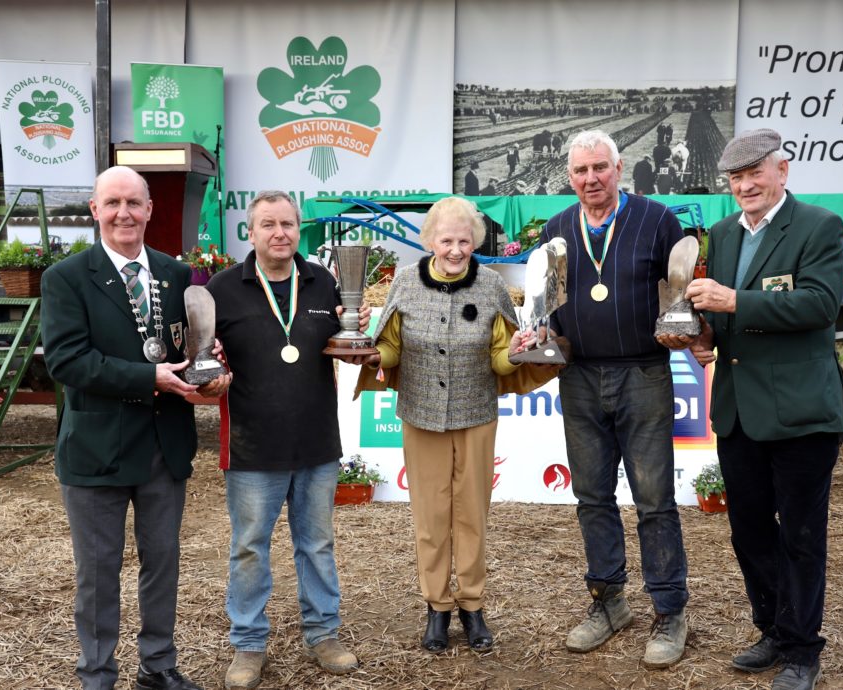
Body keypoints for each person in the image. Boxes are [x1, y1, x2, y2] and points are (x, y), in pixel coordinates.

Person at [658, 128, 843, 690]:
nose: (745, 185)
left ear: (782, 172)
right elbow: (725, 322)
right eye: (736, 178)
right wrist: (703, 334)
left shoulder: (819, 226)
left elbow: (819, 304)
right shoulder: (720, 234)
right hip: (739, 411)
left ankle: (802, 651)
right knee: (749, 532)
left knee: (802, 536)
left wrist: (734, 301)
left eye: (755, 173)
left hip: (801, 413)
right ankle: (772, 627)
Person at [41, 166, 231, 690]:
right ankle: (98, 675)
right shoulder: (65, 278)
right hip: (96, 448)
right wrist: (151, 377)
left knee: (162, 563)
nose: (123, 213)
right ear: (94, 211)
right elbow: (66, 361)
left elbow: (188, 347)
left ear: (150, 210)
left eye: (134, 203)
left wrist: (208, 368)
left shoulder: (175, 274)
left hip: (162, 446)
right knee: (98, 574)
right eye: (112, 203)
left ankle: (158, 666)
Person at [355, 196, 552, 655]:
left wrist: (520, 349)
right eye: (447, 240)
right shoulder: (404, 283)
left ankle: (472, 605)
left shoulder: (491, 286)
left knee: (472, 515)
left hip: (476, 415)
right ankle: (437, 608)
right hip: (421, 414)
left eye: (465, 240)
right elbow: (391, 352)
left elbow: (501, 362)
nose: (456, 249)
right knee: (430, 517)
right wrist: (370, 354)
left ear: (476, 242)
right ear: (430, 241)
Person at [204, 191, 373, 688]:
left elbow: (344, 351)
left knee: (317, 544)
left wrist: (356, 335)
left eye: (289, 224)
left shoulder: (325, 283)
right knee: (250, 546)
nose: (280, 233)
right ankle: (249, 644)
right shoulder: (222, 289)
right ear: (250, 233)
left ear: (300, 230)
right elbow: (207, 359)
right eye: (268, 224)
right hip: (253, 447)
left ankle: (323, 633)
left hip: (316, 442)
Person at [538, 130, 689, 667]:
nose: (590, 179)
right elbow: (549, 306)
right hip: (578, 377)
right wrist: (538, 337)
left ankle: (670, 610)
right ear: (570, 175)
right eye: (580, 171)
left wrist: (683, 331)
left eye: (599, 168)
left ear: (619, 168)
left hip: (643, 373)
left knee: (653, 499)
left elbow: (677, 296)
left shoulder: (656, 220)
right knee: (592, 497)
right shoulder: (557, 229)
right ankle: (609, 602)